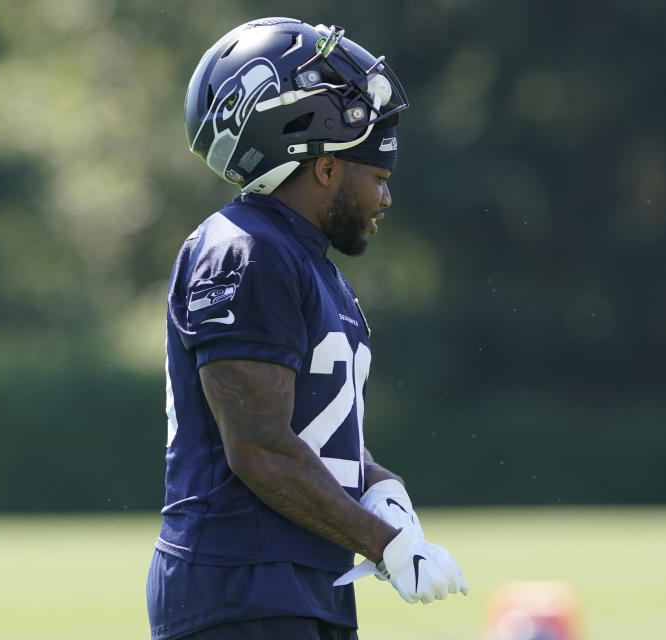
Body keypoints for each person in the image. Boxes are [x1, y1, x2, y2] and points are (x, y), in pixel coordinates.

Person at [146, 18, 467, 640]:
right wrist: (385, 546)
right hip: (240, 586)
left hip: (296, 586)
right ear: (324, 169)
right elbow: (259, 447)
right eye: (378, 177)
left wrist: (380, 488)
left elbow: (311, 435)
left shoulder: (308, 265)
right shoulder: (246, 249)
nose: (385, 200)